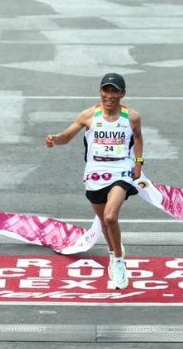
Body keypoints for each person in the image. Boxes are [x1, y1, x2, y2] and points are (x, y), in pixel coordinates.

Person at [45, 72, 144, 289]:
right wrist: (55, 139)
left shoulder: (132, 117)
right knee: (104, 223)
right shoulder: (89, 115)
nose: (109, 95)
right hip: (95, 172)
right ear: (100, 92)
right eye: (106, 90)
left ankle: (119, 262)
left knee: (110, 217)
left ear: (122, 94)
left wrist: (138, 163)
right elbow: (67, 136)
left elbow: (137, 136)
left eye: (114, 91)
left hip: (120, 170)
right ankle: (112, 252)